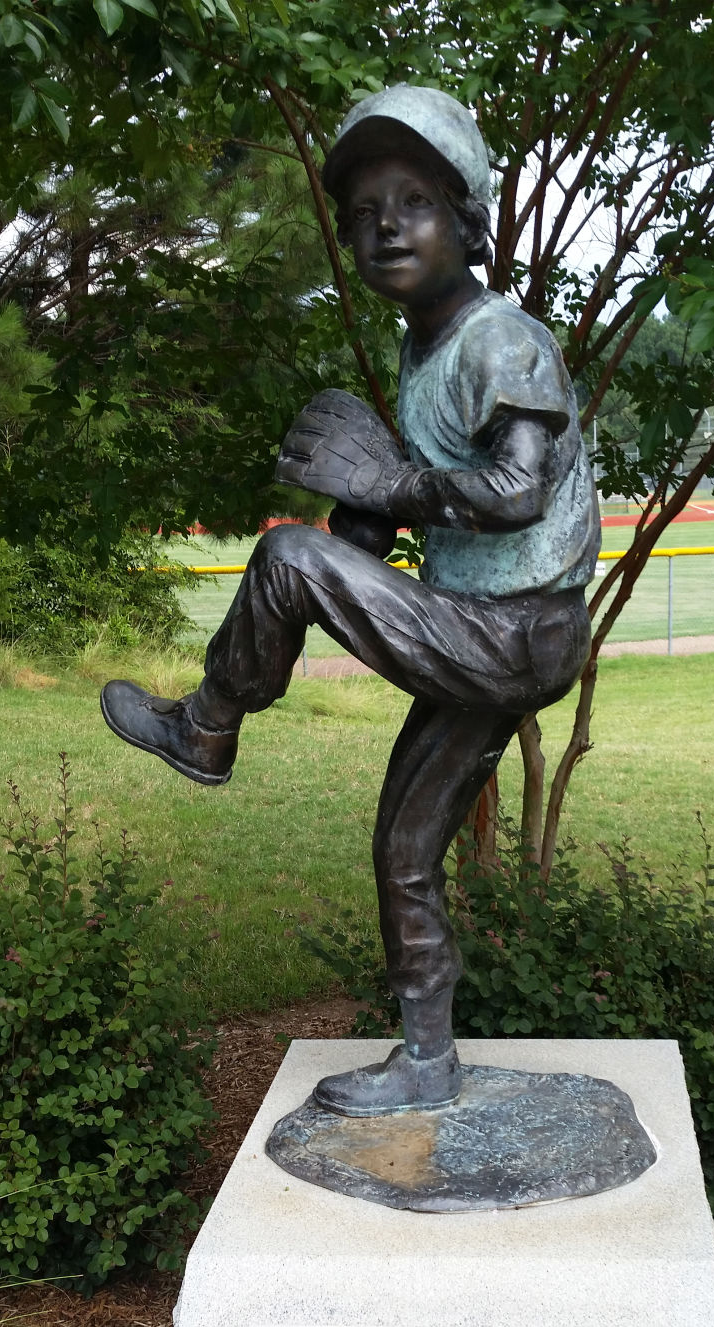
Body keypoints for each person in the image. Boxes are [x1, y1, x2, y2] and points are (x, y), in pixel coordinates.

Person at [100, 85, 600, 1116]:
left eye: (413, 202)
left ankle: (207, 728)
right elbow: (387, 522)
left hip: (521, 632)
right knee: (406, 847)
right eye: (365, 210)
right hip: (486, 633)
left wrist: (386, 494)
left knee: (286, 563)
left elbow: (517, 492)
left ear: (467, 224)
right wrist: (361, 509)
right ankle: (428, 1057)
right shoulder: (423, 350)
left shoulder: (500, 339)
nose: (385, 227)